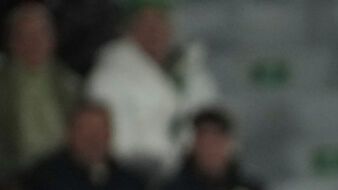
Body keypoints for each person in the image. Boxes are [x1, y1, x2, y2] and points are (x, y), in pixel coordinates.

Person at [84, 0, 220, 174]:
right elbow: (112, 148)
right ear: (129, 29)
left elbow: (216, 122)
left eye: (160, 21)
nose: (154, 31)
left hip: (196, 180)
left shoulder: (192, 72)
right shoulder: (107, 80)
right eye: (145, 23)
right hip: (139, 179)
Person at [0, 2, 80, 174]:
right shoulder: (4, 84)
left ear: (52, 40)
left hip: (63, 172)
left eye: (40, 34)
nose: (34, 42)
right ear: (12, 42)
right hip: (16, 172)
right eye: (25, 36)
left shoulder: (70, 84)